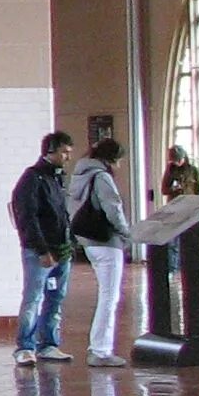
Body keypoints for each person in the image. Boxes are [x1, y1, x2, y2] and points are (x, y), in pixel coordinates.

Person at [11, 131, 78, 366]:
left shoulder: (57, 179)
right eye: (64, 152)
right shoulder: (32, 179)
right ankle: (25, 346)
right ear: (50, 151)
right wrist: (41, 250)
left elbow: (61, 214)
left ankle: (49, 344)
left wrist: (69, 244)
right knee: (33, 298)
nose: (68, 157)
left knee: (55, 298)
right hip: (40, 252)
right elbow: (27, 217)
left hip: (62, 250)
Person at [68, 136, 134, 367]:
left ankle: (100, 347)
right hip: (106, 242)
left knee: (106, 294)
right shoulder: (102, 177)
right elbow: (112, 208)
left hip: (88, 241)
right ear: (112, 158)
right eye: (119, 160)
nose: (120, 165)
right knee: (109, 296)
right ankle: (101, 350)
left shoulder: (80, 174)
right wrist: (127, 232)